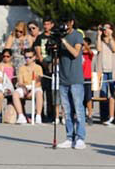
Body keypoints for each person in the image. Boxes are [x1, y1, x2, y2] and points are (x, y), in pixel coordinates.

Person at [55, 14, 87, 149]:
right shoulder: (60, 37)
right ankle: (69, 137)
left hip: (76, 79)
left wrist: (64, 42)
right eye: (62, 23)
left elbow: (75, 53)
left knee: (78, 109)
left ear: (72, 22)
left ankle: (80, 138)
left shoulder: (77, 35)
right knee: (66, 110)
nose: (64, 25)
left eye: (66, 22)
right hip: (63, 79)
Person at [34, 17, 60, 122]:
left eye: (48, 24)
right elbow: (38, 50)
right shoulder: (40, 37)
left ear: (52, 25)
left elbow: (59, 52)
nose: (46, 26)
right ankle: (41, 113)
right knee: (42, 90)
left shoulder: (56, 37)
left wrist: (53, 63)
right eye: (44, 24)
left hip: (53, 66)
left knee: (52, 92)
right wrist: (43, 63)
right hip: (42, 66)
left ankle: (52, 113)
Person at [95, 22, 115, 122]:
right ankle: (104, 116)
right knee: (103, 94)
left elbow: (114, 49)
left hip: (113, 70)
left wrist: (110, 37)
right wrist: (98, 36)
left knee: (114, 94)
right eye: (104, 28)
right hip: (102, 71)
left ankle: (114, 116)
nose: (105, 31)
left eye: (107, 28)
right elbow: (98, 48)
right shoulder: (100, 40)